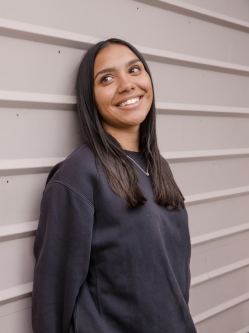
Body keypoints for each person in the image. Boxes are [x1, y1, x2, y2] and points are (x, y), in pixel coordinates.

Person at [31, 38, 197, 333]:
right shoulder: (78, 175)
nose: (126, 84)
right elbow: (52, 300)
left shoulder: (158, 167)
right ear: (90, 97)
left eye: (134, 70)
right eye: (107, 78)